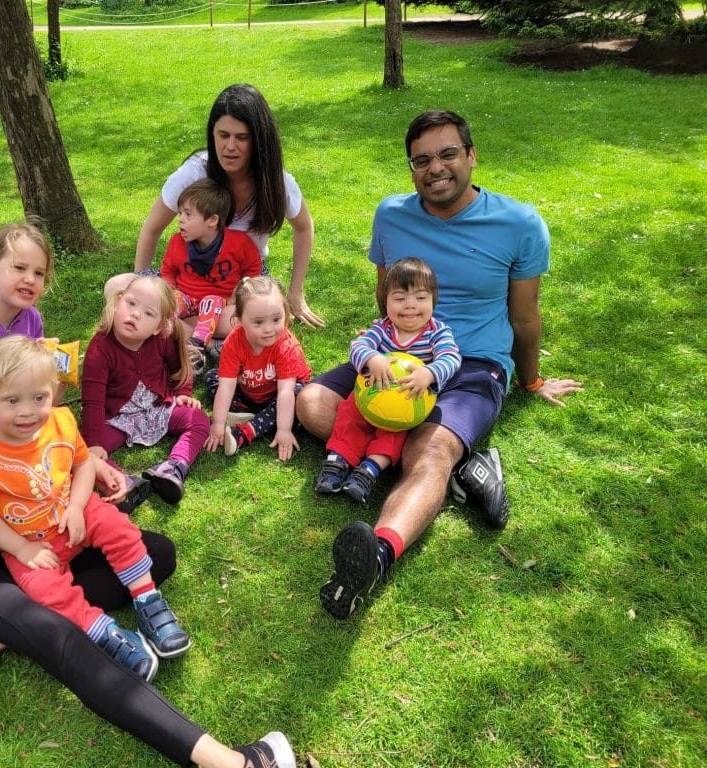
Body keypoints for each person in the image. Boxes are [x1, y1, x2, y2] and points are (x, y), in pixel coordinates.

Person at [0, 215, 297, 768]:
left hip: (33, 522)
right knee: (59, 637)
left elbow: (41, 418)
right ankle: (229, 762)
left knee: (153, 555)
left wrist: (83, 465)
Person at [296, 110, 583, 618]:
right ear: (411, 169)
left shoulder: (519, 224)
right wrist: (380, 350)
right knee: (312, 403)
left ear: (471, 156)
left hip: (471, 363)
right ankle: (456, 471)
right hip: (397, 356)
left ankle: (379, 554)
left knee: (428, 452)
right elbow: (386, 295)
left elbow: (525, 316)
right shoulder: (391, 214)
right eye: (422, 159)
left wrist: (531, 379)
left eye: (448, 154)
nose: (436, 168)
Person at [0, 336, 190, 682]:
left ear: (53, 392)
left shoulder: (61, 421)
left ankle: (147, 600)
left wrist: (79, 507)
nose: (27, 411)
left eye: (39, 398)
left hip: (74, 513)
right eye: (12, 401)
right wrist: (21, 548)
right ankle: (105, 633)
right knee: (44, 593)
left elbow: (83, 465)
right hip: (33, 543)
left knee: (119, 528)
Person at [105, 83, 324, 337]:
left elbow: (304, 227)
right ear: (213, 135)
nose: (230, 146)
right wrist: (141, 286)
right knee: (116, 286)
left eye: (241, 137)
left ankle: (174, 330)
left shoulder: (277, 182)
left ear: (259, 141)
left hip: (242, 282)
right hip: (187, 277)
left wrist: (296, 293)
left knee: (258, 315)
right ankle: (194, 332)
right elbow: (152, 228)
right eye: (223, 135)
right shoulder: (195, 172)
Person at [0, 220, 151, 513]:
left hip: (28, 413)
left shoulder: (31, 318)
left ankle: (110, 479)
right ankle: (95, 483)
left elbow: (47, 399)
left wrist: (53, 370)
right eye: (19, 268)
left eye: (39, 273)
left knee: (61, 422)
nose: (30, 279)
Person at [314, 258, 462, 509]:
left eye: (420, 297)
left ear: (433, 300)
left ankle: (369, 470)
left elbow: (451, 357)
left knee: (393, 435)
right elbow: (357, 346)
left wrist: (429, 373)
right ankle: (337, 461)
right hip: (369, 396)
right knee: (348, 417)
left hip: (406, 402)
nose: (410, 306)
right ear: (386, 301)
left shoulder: (437, 332)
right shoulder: (382, 329)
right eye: (400, 298)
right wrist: (372, 357)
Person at [81, 276, 210, 505]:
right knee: (82, 450)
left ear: (159, 327)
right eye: (131, 303)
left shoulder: (162, 339)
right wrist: (94, 443)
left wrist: (184, 394)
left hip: (158, 407)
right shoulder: (100, 348)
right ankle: (122, 483)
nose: (136, 314)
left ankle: (173, 469)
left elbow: (181, 365)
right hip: (118, 420)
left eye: (148, 313)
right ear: (118, 301)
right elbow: (93, 402)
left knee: (199, 419)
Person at [204, 276, 313, 462]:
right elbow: (226, 386)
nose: (269, 329)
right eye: (259, 322)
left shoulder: (286, 347)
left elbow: (285, 393)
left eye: (276, 319)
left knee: (297, 395)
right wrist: (218, 423)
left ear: (286, 314)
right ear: (239, 321)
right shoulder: (233, 342)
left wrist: (284, 430)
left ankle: (246, 432)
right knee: (213, 377)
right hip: (250, 389)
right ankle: (241, 410)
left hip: (280, 397)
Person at [160, 178, 262, 366]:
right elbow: (168, 272)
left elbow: (253, 268)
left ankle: (196, 348)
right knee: (164, 302)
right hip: (186, 297)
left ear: (212, 220)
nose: (180, 219)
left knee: (215, 303)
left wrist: (238, 293)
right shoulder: (177, 242)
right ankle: (168, 340)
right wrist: (167, 294)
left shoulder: (239, 243)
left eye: (188, 215)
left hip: (219, 303)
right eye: (180, 212)